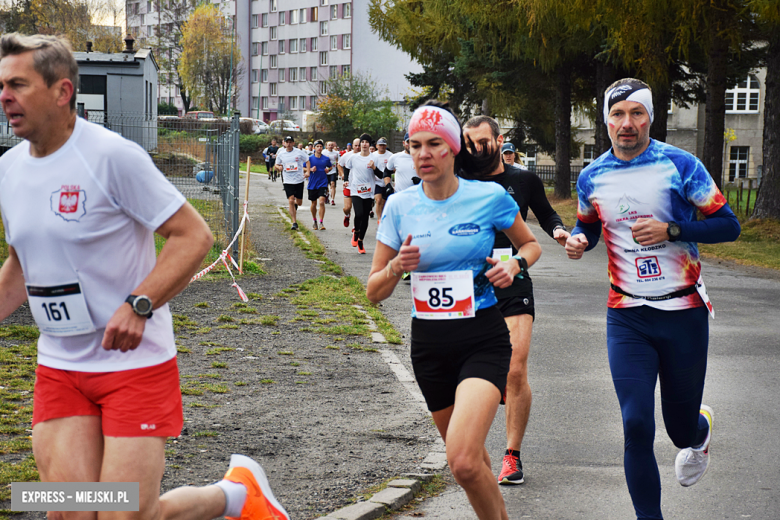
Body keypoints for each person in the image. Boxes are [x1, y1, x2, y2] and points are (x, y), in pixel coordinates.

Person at [0, 33, 289, 520]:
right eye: (2, 85)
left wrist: (139, 304)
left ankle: (235, 495)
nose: (5, 96)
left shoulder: (113, 157)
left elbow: (193, 236)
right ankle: (238, 495)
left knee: (125, 512)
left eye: (17, 84)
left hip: (132, 365)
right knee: (68, 509)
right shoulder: (9, 168)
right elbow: (21, 263)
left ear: (62, 92)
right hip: (60, 365)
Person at [564, 78, 741, 520]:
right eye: (618, 114)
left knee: (679, 430)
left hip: (683, 311)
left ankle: (698, 432)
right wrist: (579, 241)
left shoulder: (680, 165)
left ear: (649, 118)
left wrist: (673, 230)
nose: (627, 123)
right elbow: (587, 224)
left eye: (636, 113)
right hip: (627, 315)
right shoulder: (592, 176)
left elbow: (728, 226)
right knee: (636, 423)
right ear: (606, 120)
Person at [367, 101, 542, 520]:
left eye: (434, 144)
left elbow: (531, 244)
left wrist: (514, 264)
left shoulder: (488, 197)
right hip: (429, 346)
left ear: (452, 149)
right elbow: (374, 292)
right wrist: (394, 267)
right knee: (472, 458)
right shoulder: (400, 206)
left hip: (482, 337)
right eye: (414, 145)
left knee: (462, 461)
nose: (423, 154)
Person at [462, 115, 570, 487]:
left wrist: (558, 232)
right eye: (469, 142)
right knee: (468, 372)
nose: (476, 149)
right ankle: (473, 450)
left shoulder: (522, 178)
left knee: (515, 369)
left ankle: (512, 456)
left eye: (482, 142)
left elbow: (546, 213)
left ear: (499, 139)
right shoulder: (459, 178)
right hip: (469, 286)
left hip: (513, 281)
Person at [346, 134, 382, 254]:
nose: (364, 144)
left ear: (370, 144)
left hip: (369, 192)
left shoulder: (374, 158)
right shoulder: (353, 157)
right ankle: (356, 232)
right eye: (362, 142)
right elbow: (346, 167)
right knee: (359, 214)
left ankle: (361, 241)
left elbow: (381, 175)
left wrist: (374, 168)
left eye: (367, 142)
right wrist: (346, 179)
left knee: (365, 217)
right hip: (356, 190)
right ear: (360, 144)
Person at [275, 136, 310, 230]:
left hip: (298, 180)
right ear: (284, 143)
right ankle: (294, 222)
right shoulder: (281, 154)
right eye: (287, 142)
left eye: (290, 142)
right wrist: (279, 168)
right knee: (290, 200)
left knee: (299, 202)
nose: (288, 144)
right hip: (287, 180)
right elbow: (276, 164)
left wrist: (308, 172)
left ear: (293, 143)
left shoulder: (299, 152)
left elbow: (307, 160)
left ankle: (294, 205)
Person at [306, 139, 332, 230]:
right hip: (312, 183)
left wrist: (328, 170)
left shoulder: (326, 158)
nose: (319, 148)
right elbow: (303, 168)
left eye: (321, 146)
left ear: (322, 147)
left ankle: (321, 222)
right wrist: (310, 169)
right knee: (313, 203)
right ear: (314, 148)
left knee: (321, 202)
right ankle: (314, 221)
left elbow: (331, 166)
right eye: (317, 146)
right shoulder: (309, 159)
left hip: (323, 182)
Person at [370, 137, 393, 222]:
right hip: (376, 182)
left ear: (386, 146)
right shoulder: (373, 155)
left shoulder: (390, 155)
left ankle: (382, 218)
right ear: (376, 146)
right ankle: (379, 219)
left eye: (383, 145)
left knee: (383, 203)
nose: (382, 147)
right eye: (380, 145)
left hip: (386, 183)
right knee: (378, 200)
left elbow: (394, 168)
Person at [339, 137, 360, 228]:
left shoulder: (366, 156)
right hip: (349, 185)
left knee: (358, 209)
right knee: (347, 208)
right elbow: (339, 165)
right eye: (355, 145)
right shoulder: (347, 155)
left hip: (360, 186)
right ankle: (347, 215)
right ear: (352, 146)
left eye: (359, 145)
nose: (358, 147)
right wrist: (342, 174)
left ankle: (356, 227)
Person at [324, 141, 341, 206]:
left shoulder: (336, 153)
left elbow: (338, 161)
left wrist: (339, 170)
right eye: (329, 145)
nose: (330, 146)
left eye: (332, 145)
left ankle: (332, 199)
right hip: (326, 171)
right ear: (326, 146)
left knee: (333, 184)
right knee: (326, 186)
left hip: (333, 171)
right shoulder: (324, 152)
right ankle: (327, 194)